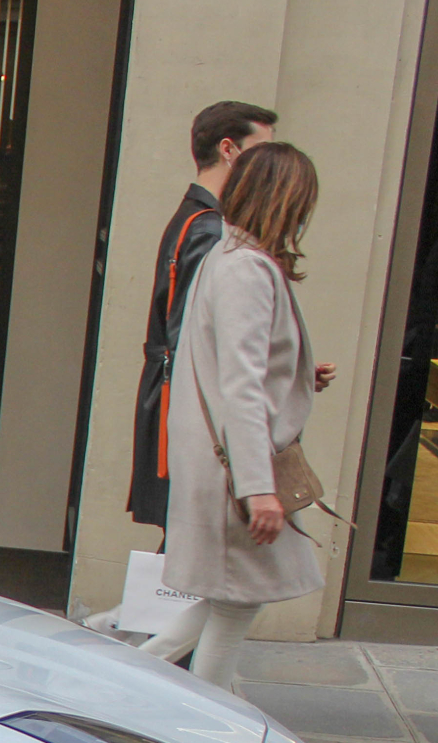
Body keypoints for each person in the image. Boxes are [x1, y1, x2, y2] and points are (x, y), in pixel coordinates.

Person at [144, 143, 336, 687]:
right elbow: (241, 386)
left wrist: (297, 371)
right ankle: (199, 734)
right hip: (235, 470)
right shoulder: (247, 269)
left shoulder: (230, 259)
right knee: (233, 606)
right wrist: (258, 489)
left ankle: (112, 693)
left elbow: (234, 368)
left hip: (222, 464)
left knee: (220, 605)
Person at [127, 101, 279, 528]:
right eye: (260, 149)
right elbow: (199, 333)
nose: (266, 163)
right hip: (192, 404)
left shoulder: (198, 219)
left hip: (180, 393)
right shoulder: (207, 228)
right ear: (229, 149)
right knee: (189, 544)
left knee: (185, 546)